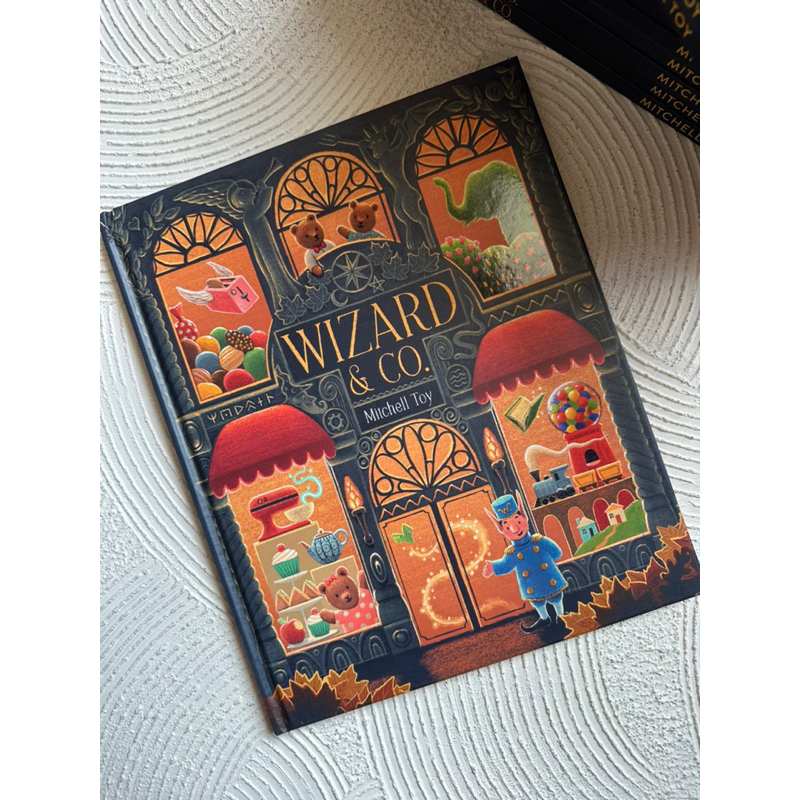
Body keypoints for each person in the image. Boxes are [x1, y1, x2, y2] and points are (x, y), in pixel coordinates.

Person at [483, 491, 568, 633]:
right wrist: (493, 566)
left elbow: (557, 553)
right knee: (537, 601)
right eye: (508, 527)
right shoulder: (512, 552)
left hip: (549, 579)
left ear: (525, 518)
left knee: (556, 597)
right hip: (532, 585)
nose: (515, 529)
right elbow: (506, 565)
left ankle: (561, 616)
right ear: (502, 530)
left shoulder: (539, 540)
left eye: (518, 521)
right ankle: (544, 618)